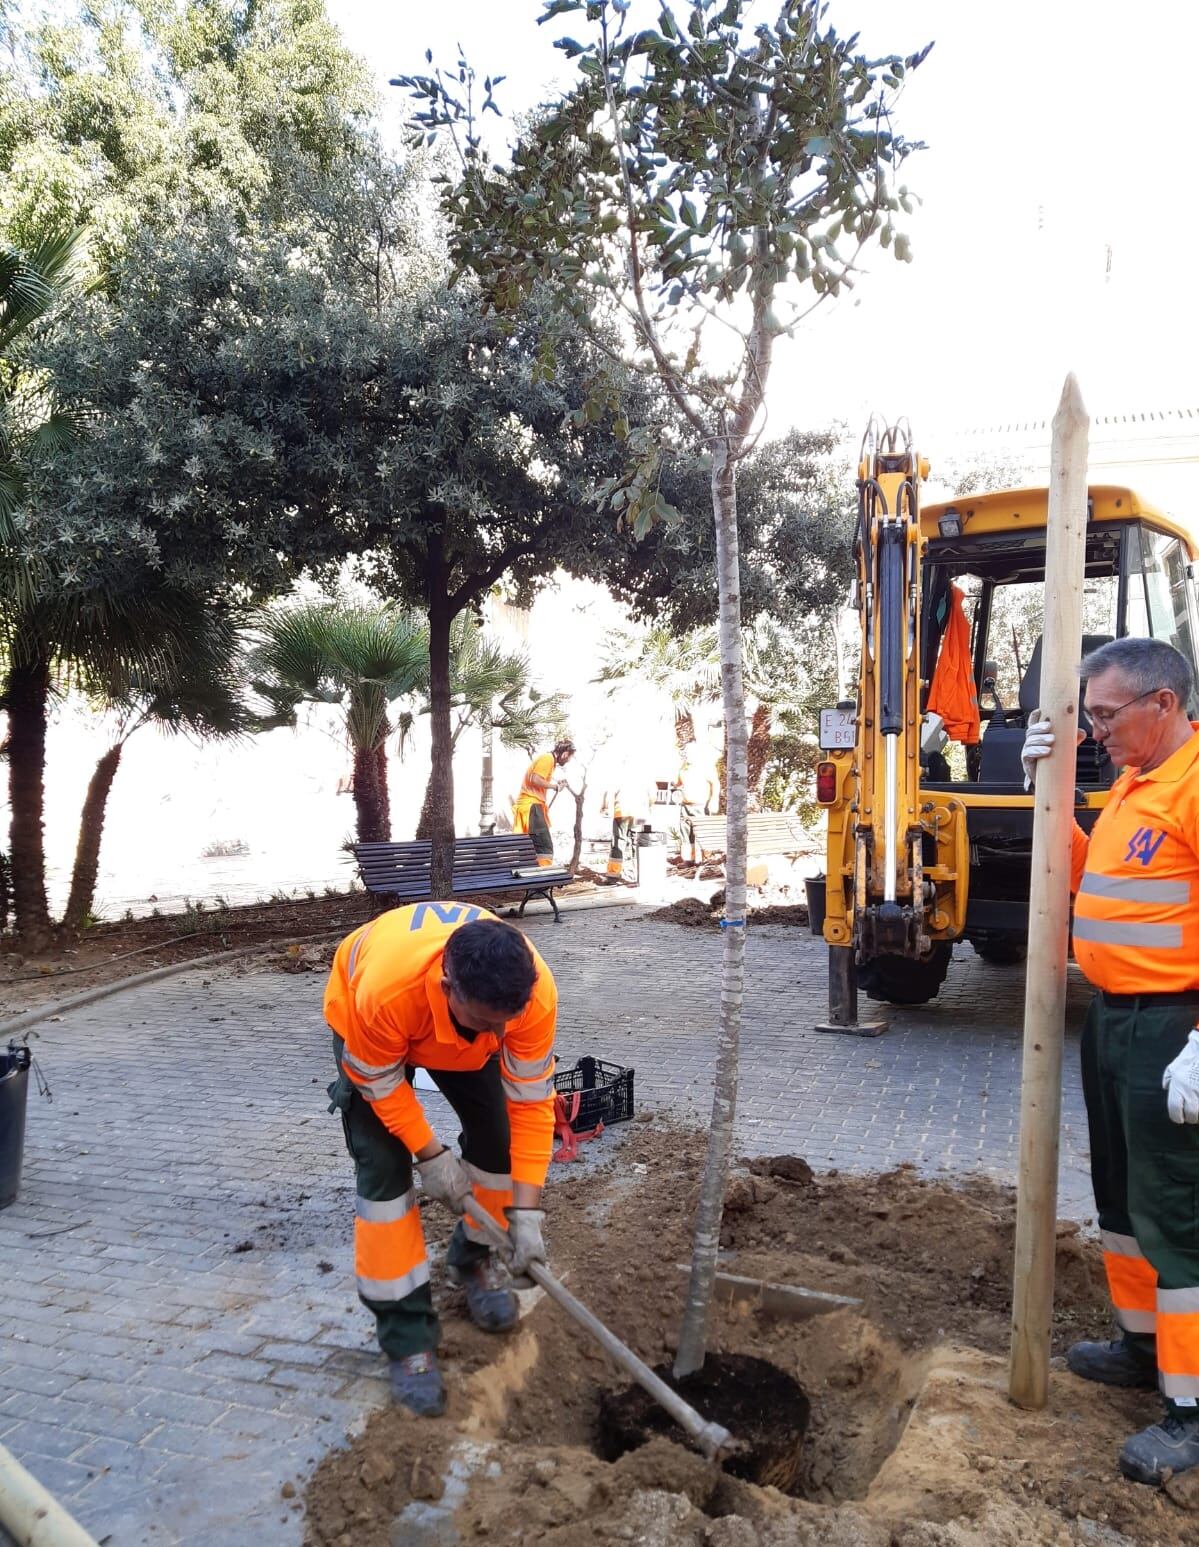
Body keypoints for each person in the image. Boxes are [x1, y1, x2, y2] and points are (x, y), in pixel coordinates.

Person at [1023, 636, 1199, 1485]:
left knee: (1177, 1213)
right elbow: (1093, 877)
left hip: (1175, 1028)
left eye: (1104, 715)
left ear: (1160, 704)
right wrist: (1049, 796)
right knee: (1123, 1200)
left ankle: (1192, 1409)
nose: (1094, 731)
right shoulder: (1135, 785)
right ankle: (1140, 1347)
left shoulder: (1194, 786)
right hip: (1115, 1021)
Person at [323, 902, 557, 1417]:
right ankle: (408, 1339)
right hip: (377, 1036)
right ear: (449, 985)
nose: (500, 1038)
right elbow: (380, 1081)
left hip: (455, 1034)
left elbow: (532, 1105)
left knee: (497, 1143)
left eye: (507, 1023)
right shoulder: (384, 994)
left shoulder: (530, 994)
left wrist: (527, 1214)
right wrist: (431, 1157)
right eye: (487, 1023)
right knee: (384, 1173)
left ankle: (473, 1260)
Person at [512, 740, 575, 865]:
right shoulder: (548, 759)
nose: (569, 760)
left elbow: (537, 779)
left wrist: (556, 784)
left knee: (528, 847)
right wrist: (554, 787)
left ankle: (529, 878)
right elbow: (535, 779)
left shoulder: (548, 760)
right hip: (532, 806)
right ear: (565, 754)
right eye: (570, 757)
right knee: (544, 846)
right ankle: (543, 878)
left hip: (528, 806)